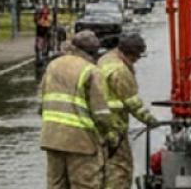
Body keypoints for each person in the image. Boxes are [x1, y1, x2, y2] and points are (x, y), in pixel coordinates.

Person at [40, 28, 115, 189]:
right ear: (93, 52)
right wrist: (110, 135)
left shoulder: (53, 65)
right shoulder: (92, 71)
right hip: (81, 141)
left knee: (56, 185)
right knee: (85, 184)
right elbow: (101, 113)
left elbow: (41, 103)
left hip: (52, 137)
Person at [98, 32, 159, 189]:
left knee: (104, 168)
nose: (137, 60)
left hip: (100, 125)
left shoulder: (105, 60)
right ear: (132, 54)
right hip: (114, 127)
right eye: (137, 57)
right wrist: (151, 121)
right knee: (121, 169)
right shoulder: (121, 71)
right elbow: (133, 104)